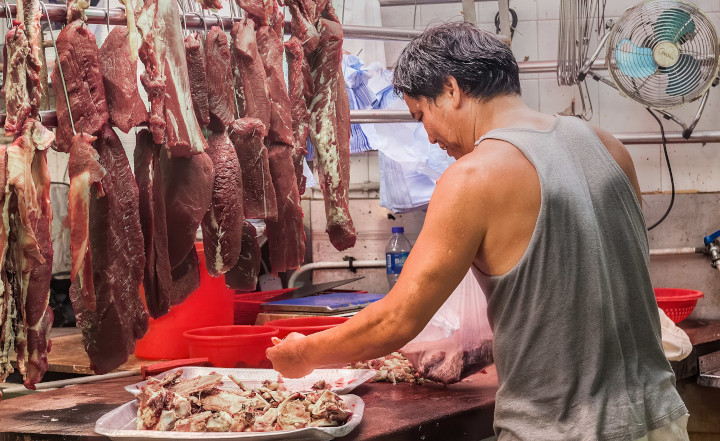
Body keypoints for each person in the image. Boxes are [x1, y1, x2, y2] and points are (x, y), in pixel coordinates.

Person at [267, 22, 689, 440]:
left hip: (560, 430)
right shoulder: (608, 145)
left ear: (451, 90)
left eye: (422, 115)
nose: (429, 136)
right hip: (660, 419)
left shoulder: (473, 176)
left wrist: (304, 354)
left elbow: (397, 320)